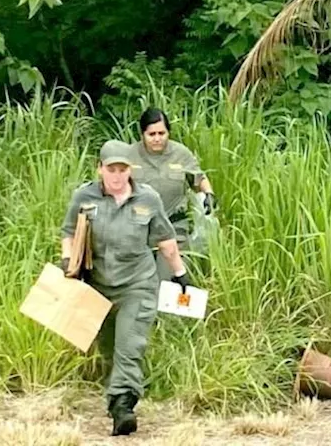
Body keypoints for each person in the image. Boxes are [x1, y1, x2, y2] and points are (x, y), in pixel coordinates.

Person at [61, 140, 194, 437]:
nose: (118, 176)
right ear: (100, 169)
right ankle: (114, 397)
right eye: (112, 169)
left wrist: (180, 274)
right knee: (108, 347)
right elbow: (69, 233)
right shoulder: (84, 197)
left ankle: (124, 406)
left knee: (129, 345)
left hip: (138, 284)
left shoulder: (148, 199)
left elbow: (166, 241)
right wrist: (67, 261)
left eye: (123, 169)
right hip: (97, 285)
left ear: (130, 171)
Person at [129, 108, 215, 277]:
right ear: (142, 135)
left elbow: (198, 179)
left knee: (166, 279)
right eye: (151, 134)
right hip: (138, 228)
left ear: (169, 133)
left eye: (162, 133)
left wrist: (209, 194)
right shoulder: (129, 155)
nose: (157, 139)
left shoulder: (181, 154)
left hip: (173, 227)